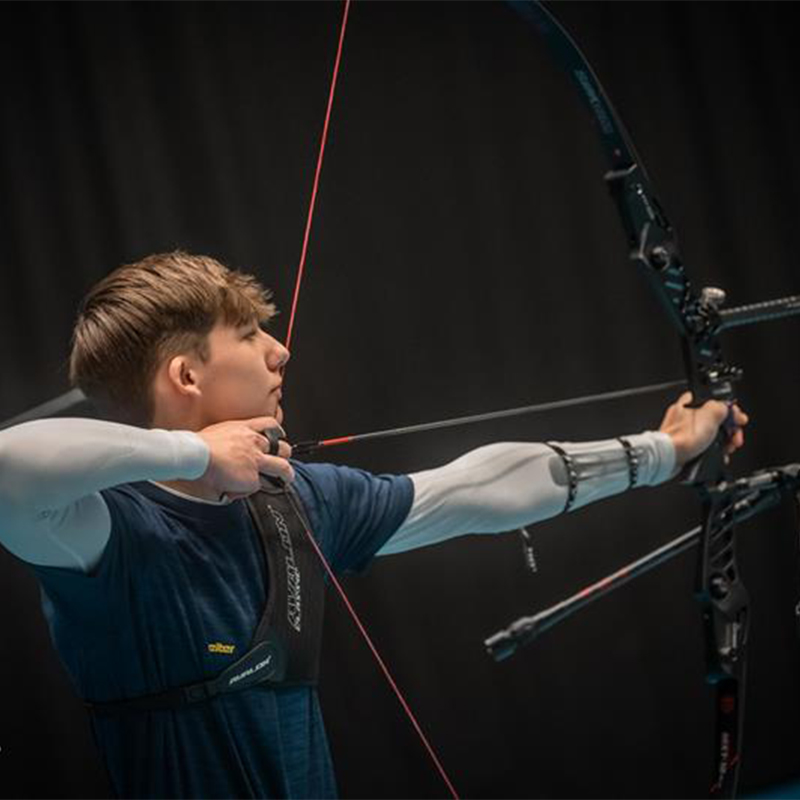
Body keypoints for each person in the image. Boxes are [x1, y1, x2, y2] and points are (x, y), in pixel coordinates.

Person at [0, 251, 748, 799]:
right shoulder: (106, 529)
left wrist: (668, 451)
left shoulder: (291, 497)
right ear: (187, 377)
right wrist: (189, 451)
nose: (280, 348)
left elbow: (484, 488)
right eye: (249, 332)